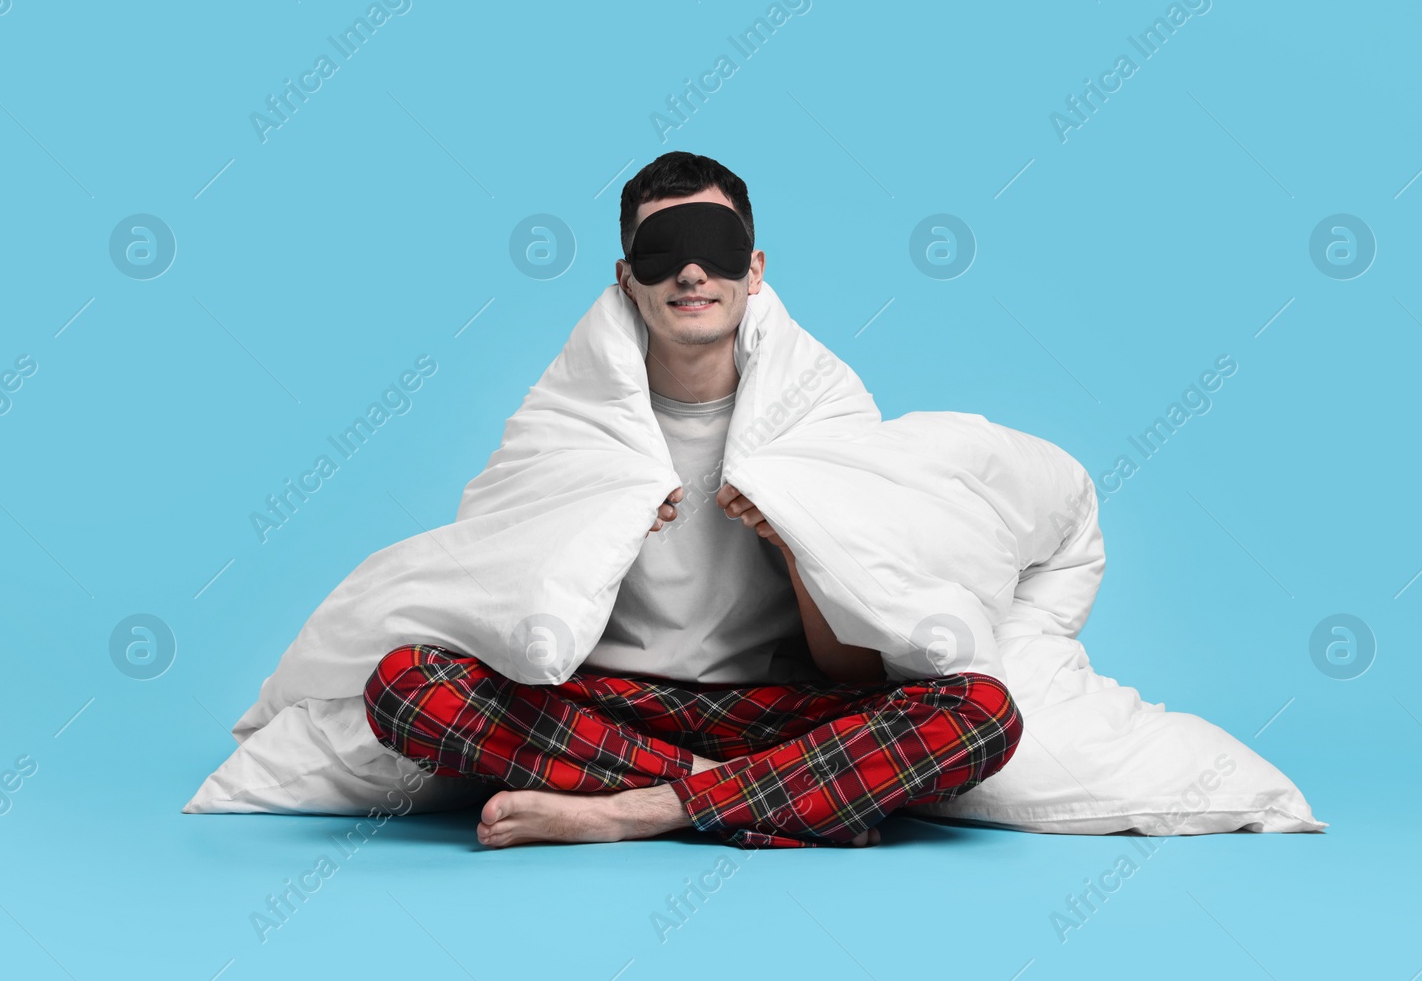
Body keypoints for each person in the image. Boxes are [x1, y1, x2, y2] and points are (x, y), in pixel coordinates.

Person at [363, 152, 1022, 849]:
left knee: (981, 710)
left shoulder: (823, 411)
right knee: (405, 684)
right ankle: (756, 793)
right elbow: (506, 603)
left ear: (755, 269)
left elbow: (852, 665)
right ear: (625, 278)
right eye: (662, 251)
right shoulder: (566, 419)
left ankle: (635, 810)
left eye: (716, 246)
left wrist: (799, 543)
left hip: (777, 707)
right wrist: (591, 533)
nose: (691, 271)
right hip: (609, 704)